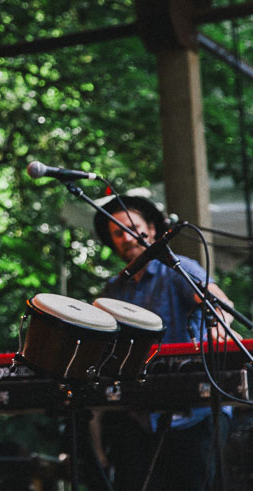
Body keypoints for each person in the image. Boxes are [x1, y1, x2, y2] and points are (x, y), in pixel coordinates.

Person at [91, 194, 234, 491]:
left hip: (196, 410)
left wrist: (220, 325)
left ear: (152, 230)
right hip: (140, 411)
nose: (126, 237)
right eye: (117, 233)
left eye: (132, 227)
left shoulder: (178, 268)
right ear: (113, 242)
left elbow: (219, 302)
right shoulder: (113, 290)